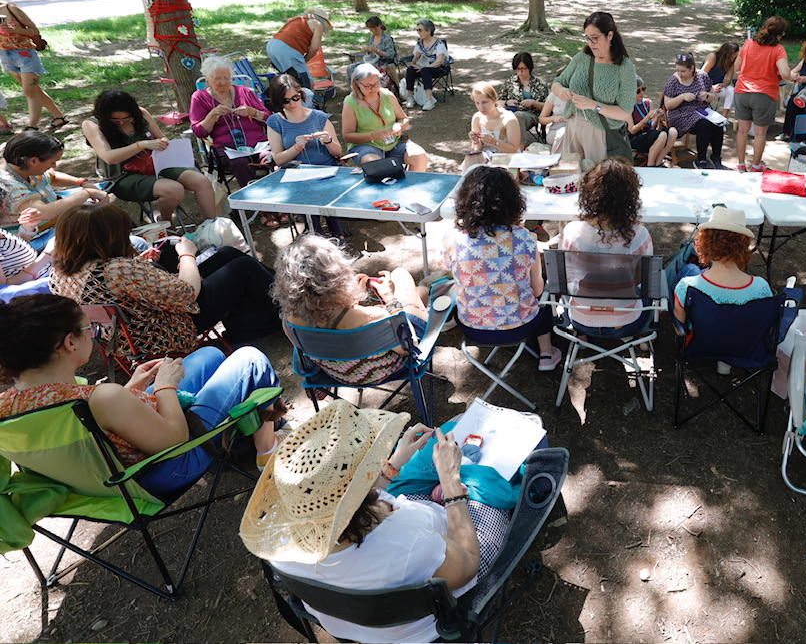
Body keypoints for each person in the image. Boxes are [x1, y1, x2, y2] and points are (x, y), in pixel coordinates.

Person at [239, 400, 486, 644]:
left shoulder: (278, 544)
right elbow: (468, 566)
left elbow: (339, 506)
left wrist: (392, 466)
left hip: (363, 628)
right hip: (430, 626)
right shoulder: (409, 538)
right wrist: (451, 483)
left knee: (438, 450)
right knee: (487, 489)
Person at [0, 295, 283, 488]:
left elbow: (91, 428)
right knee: (250, 359)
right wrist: (165, 386)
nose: (94, 333)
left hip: (101, 479)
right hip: (165, 469)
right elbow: (175, 440)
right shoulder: (103, 398)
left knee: (208, 354)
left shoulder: (11, 406)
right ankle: (266, 452)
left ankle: (238, 436)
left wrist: (132, 387)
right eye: (89, 328)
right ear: (70, 343)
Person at [50, 202, 279, 352]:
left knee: (226, 254)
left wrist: (142, 265)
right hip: (165, 333)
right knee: (242, 267)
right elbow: (187, 293)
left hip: (126, 336)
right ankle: (290, 305)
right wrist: (186, 254)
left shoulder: (59, 272)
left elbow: (116, 291)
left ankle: (255, 319)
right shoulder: (117, 269)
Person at [272, 234, 434, 384]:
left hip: (337, 374)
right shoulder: (372, 318)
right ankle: (429, 292)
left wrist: (350, 300)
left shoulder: (290, 320)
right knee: (401, 275)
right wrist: (389, 299)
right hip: (386, 369)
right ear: (335, 272)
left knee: (420, 292)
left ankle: (425, 290)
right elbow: (408, 346)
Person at [444, 167, 558, 371]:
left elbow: (452, 275)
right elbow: (538, 290)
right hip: (522, 325)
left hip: (473, 328)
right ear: (513, 201)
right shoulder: (524, 239)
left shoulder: (453, 239)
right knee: (546, 292)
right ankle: (547, 353)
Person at [83, 89, 219, 222]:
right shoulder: (91, 124)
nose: (122, 122)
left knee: (201, 181)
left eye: (126, 118)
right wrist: (141, 145)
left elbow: (161, 138)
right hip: (122, 175)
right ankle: (165, 223)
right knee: (173, 190)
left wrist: (163, 142)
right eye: (115, 120)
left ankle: (213, 225)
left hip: (155, 164)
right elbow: (109, 157)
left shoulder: (140, 114)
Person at [560, 159, 654, 331]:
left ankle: (581, 337)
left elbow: (568, 273)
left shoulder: (572, 232)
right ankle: (641, 339)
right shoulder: (640, 235)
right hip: (627, 320)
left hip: (581, 318)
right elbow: (642, 279)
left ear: (589, 193)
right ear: (630, 197)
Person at [672, 206, 772, 343]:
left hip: (700, 345)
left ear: (704, 243)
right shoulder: (762, 287)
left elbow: (679, 328)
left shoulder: (686, 286)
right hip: (743, 347)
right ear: (743, 246)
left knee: (689, 269)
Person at [549, 12, 635, 167]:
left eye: (595, 38)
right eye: (587, 38)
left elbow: (625, 111)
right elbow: (557, 82)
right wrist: (560, 91)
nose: (591, 43)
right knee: (572, 179)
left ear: (610, 35)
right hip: (573, 128)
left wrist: (593, 105)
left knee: (597, 182)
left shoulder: (625, 67)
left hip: (601, 134)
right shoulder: (582, 57)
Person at [0, 131, 109, 234]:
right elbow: (43, 212)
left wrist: (82, 182)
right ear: (33, 161)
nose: (54, 166)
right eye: (52, 162)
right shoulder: (10, 185)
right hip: (30, 237)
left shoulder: (22, 165)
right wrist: (87, 193)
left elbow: (53, 176)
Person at [189, 55, 270, 187]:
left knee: (271, 157)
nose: (223, 82)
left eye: (226, 78)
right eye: (217, 78)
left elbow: (269, 118)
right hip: (228, 149)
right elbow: (199, 131)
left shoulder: (244, 92)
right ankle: (251, 199)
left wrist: (252, 112)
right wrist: (212, 115)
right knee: (239, 162)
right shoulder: (199, 97)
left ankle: (276, 195)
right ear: (208, 78)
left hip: (257, 145)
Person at [731, 16, 790, 172]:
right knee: (760, 133)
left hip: (742, 91)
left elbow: (737, 66)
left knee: (742, 130)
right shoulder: (778, 49)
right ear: (780, 34)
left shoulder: (749, 44)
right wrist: (791, 76)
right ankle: (756, 166)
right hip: (764, 94)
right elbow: (784, 73)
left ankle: (741, 164)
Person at [342, 63, 428, 171]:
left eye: (377, 83)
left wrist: (399, 125)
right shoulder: (351, 102)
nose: (374, 89)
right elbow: (348, 136)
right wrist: (373, 135)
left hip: (394, 143)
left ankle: (411, 187)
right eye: (368, 86)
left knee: (420, 156)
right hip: (366, 146)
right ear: (356, 83)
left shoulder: (387, 95)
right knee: (378, 165)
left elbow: (404, 119)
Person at [0, 0, 67, 131]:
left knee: (29, 91)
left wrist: (15, 31)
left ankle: (32, 126)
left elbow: (34, 31)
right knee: (35, 90)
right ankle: (59, 117)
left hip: (25, 54)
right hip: (5, 55)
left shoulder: (10, 9)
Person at [266, 74, 344, 167]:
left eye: (295, 98)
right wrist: (296, 148)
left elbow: (338, 153)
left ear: (301, 94)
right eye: (286, 100)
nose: (292, 103)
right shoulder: (275, 122)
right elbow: (278, 160)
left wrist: (328, 141)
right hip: (295, 174)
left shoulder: (319, 117)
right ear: (278, 101)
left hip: (326, 169)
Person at [663, 52, 724, 169]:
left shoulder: (702, 76)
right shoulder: (673, 81)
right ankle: (701, 160)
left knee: (718, 123)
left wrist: (706, 96)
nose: (680, 74)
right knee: (704, 125)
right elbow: (668, 105)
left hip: (701, 110)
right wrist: (681, 97)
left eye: (683, 71)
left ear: (692, 68)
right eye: (678, 70)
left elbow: (712, 96)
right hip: (680, 114)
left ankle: (716, 157)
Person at [267, 8, 331, 96]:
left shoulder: (295, 20)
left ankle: (285, 102)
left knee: (287, 80)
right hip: (288, 50)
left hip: (272, 45)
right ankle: (306, 106)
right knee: (306, 83)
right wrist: (306, 59)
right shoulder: (317, 24)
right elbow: (314, 48)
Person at [499, 52, 549, 146]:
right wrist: (507, 102)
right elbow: (497, 102)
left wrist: (534, 103)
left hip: (531, 115)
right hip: (510, 112)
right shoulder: (510, 82)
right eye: (517, 69)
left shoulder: (540, 84)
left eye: (523, 69)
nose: (520, 72)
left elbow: (548, 107)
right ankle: (499, 145)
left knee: (518, 116)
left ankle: (519, 146)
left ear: (530, 68)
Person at [467, 82, 522, 161]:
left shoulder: (509, 119)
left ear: (494, 100)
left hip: (508, 158)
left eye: (484, 102)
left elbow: (513, 149)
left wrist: (494, 142)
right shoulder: (477, 118)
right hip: (487, 158)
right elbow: (477, 148)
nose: (481, 107)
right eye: (477, 103)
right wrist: (476, 141)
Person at [630, 79, 677, 168]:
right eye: (637, 91)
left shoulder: (648, 102)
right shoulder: (628, 106)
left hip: (650, 133)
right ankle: (651, 165)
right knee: (662, 135)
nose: (641, 93)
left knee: (673, 132)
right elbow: (632, 131)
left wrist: (658, 117)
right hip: (636, 137)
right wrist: (646, 118)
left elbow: (652, 126)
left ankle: (658, 162)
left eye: (643, 89)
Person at [404, 18, 449, 110]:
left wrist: (424, 67)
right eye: (417, 30)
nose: (418, 32)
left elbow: (439, 61)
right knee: (410, 69)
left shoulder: (439, 44)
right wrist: (416, 57)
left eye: (420, 30)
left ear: (428, 31)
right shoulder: (419, 43)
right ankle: (410, 97)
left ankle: (429, 100)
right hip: (423, 66)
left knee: (425, 70)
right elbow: (413, 62)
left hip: (438, 68)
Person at [358, 15, 399, 87]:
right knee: (352, 68)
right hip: (372, 61)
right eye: (370, 28)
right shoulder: (372, 38)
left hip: (385, 61)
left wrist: (376, 50)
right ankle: (357, 90)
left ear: (380, 26)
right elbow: (370, 53)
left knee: (370, 71)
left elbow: (390, 55)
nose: (373, 30)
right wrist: (367, 50)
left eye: (374, 28)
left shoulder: (387, 39)